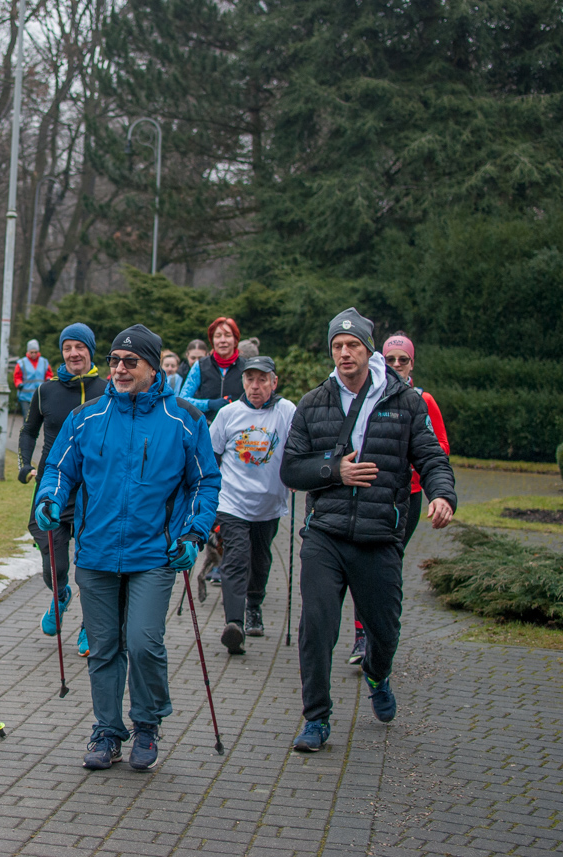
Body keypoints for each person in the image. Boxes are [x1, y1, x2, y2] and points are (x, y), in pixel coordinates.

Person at [35, 325, 220, 772]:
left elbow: (205, 482)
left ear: (153, 368)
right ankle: (107, 731)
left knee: (143, 642)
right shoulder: (86, 417)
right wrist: (49, 498)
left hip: (154, 554)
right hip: (96, 553)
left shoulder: (184, 419)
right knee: (103, 647)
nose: (119, 369)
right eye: (115, 360)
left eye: (130, 361)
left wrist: (193, 534)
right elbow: (59, 468)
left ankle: (147, 724)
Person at [280, 307, 456, 753]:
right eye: (337, 346)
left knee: (385, 630)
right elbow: (291, 469)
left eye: (352, 345)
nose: (344, 353)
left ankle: (378, 673)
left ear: (368, 350)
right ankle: (316, 718)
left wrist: (441, 495)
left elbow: (432, 458)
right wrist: (333, 469)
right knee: (316, 626)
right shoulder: (313, 403)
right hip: (325, 534)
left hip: (379, 537)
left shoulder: (406, 402)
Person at [345, 331, 450, 665]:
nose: (396, 365)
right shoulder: (370, 396)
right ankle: (362, 637)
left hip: (410, 496)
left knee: (387, 565)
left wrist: (415, 462)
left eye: (402, 360)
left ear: (412, 363)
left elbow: (440, 447)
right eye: (390, 359)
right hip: (374, 492)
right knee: (365, 562)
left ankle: (380, 635)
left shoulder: (423, 399)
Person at [18, 323, 107, 658]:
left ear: (90, 351)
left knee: (91, 564)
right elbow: (29, 431)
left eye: (79, 347)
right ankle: (60, 594)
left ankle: (89, 626)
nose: (73, 353)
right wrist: (24, 463)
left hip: (92, 489)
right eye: (67, 347)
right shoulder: (46, 391)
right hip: (52, 485)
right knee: (52, 561)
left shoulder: (107, 390)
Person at [208, 356, 297, 654]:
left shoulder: (287, 411)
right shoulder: (228, 414)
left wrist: (297, 473)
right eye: (250, 379)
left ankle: (254, 606)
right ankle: (234, 624)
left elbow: (299, 448)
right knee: (235, 558)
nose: (255, 386)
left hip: (269, 504)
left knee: (260, 560)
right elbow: (211, 455)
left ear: (274, 381)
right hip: (232, 502)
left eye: (262, 380)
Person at [181, 317, 245, 422]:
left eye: (228, 335)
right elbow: (182, 399)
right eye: (218, 336)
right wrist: (209, 404)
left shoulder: (245, 367)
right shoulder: (200, 366)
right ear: (212, 340)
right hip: (207, 426)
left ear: (235, 340)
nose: (223, 340)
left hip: (238, 425)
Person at [13, 339, 54, 418]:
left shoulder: (44, 362)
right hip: (25, 396)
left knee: (38, 417)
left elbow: (49, 374)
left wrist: (49, 379)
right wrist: (19, 384)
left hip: (40, 395)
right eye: (32, 352)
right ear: (28, 352)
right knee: (27, 417)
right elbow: (17, 376)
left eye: (35, 352)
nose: (34, 354)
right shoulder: (22, 363)